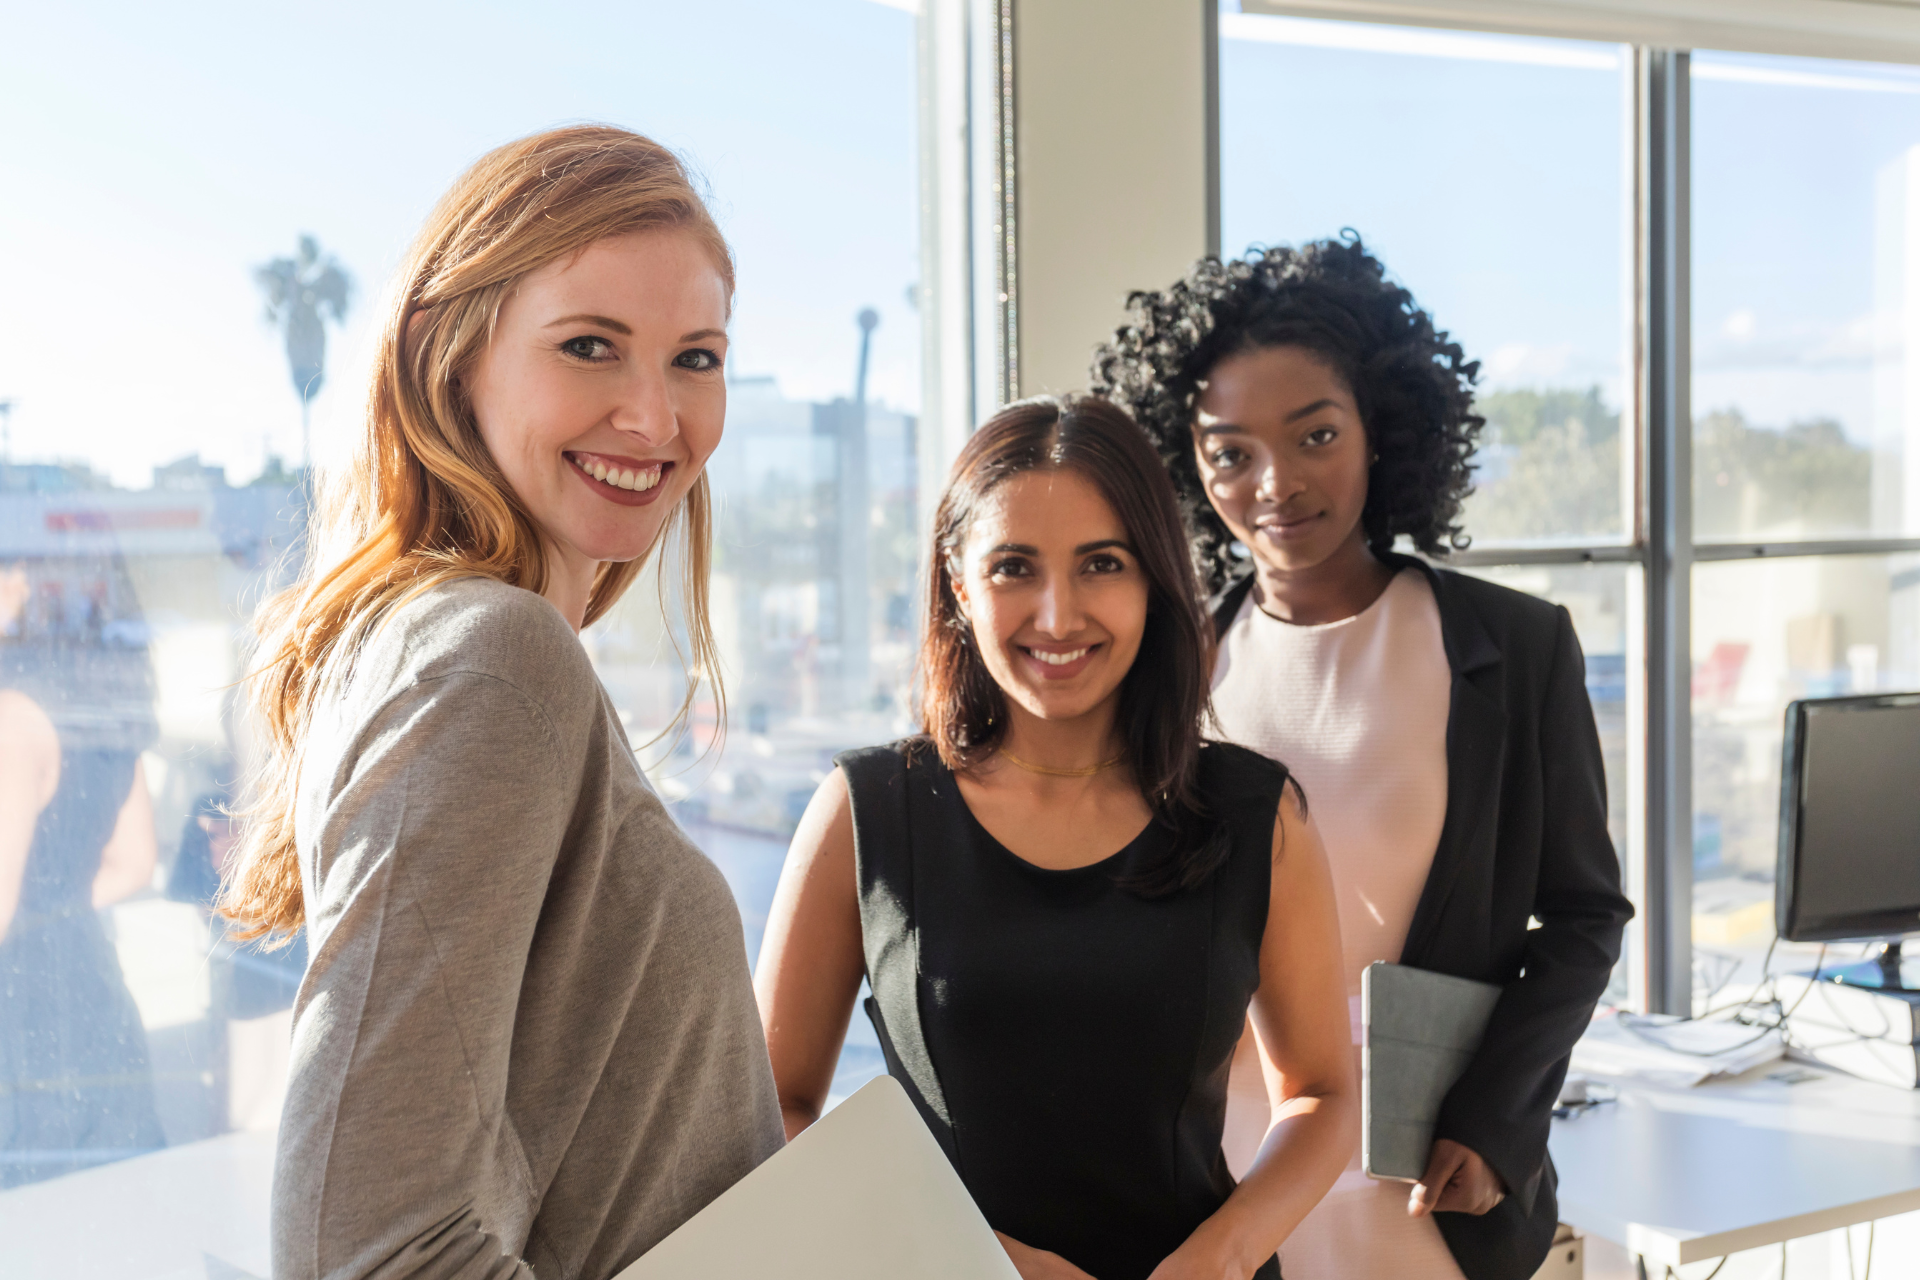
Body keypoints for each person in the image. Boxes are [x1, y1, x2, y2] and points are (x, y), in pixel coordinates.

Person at [219, 126, 784, 1280]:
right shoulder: (493, 657)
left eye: (697, 358)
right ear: (449, 355)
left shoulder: (443, 641)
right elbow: (368, 1250)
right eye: (590, 346)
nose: (654, 416)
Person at [1090, 236, 1636, 1280]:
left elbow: (1583, 915)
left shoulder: (1511, 651)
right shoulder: (1166, 671)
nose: (1273, 484)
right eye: (1230, 450)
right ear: (1184, 459)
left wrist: (1497, 1118)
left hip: (1430, 1180)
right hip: (1226, 1179)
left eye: (1315, 436)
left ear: (1382, 431)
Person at [757, 395, 1358, 1280]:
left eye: (1101, 565)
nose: (1057, 614)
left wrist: (1221, 1257)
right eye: (1013, 568)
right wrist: (965, 1257)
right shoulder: (868, 810)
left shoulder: (1256, 815)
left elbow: (1321, 1093)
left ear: (1152, 580)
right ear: (959, 586)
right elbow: (771, 1104)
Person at [0, 557, 167, 1187]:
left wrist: (31, 913)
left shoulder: (10, 719)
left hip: (19, 1034)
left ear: (21, 580)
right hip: (95, 1007)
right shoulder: (97, 707)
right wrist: (55, 905)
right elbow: (134, 862)